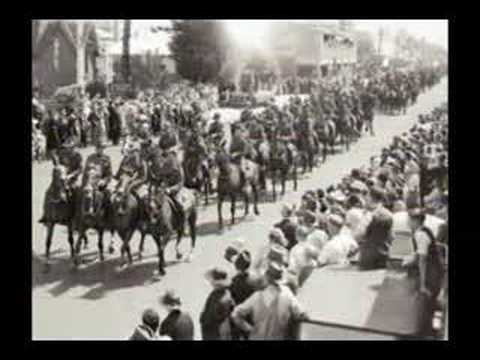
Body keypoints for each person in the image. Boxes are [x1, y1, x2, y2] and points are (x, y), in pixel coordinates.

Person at [231, 261, 308, 340]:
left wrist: (249, 329)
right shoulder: (287, 295)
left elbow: (235, 314)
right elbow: (302, 315)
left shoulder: (257, 296)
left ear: (267, 278)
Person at [401, 207, 446, 337]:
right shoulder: (424, 231)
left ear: (415, 221)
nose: (408, 221)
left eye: (409, 219)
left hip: (431, 274)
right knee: (429, 304)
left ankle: (425, 332)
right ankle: (428, 330)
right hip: (435, 271)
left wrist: (422, 284)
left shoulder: (420, 234)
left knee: (427, 302)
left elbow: (423, 260)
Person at [358, 186, 394, 270]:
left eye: (367, 196)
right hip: (384, 255)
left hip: (367, 258)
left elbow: (359, 235)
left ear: (370, 197)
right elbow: (392, 236)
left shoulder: (369, 215)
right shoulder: (389, 214)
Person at [200, 268, 235, 340]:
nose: (211, 283)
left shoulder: (220, 298)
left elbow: (212, 319)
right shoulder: (220, 293)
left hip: (215, 334)